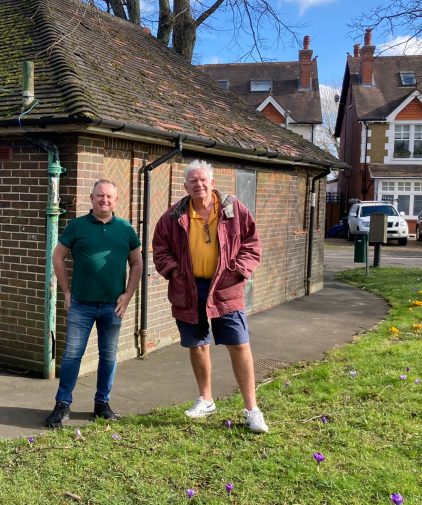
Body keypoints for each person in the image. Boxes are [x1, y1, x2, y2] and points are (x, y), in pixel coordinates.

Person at [152, 160, 268, 432]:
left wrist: (237, 271)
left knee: (239, 344)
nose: (199, 184)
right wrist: (175, 273)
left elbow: (252, 244)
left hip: (225, 288)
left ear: (212, 183)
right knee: (197, 344)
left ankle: (252, 409)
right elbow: (160, 249)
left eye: (203, 180)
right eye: (193, 181)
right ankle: (206, 399)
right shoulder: (172, 216)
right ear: (185, 186)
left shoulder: (234, 210)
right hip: (189, 289)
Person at [45, 179, 143, 428]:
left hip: (113, 306)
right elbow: (58, 257)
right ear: (91, 198)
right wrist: (66, 291)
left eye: (109, 196)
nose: (104, 200)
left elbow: (137, 263)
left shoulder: (125, 229)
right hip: (81, 304)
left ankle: (102, 403)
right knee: (72, 356)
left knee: (108, 356)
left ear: (116, 200)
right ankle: (62, 404)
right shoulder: (77, 226)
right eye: (100, 195)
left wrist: (128, 294)